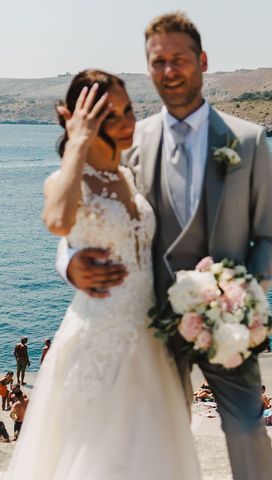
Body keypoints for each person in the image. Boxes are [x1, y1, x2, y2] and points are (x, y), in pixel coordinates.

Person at [50, 13, 272, 480]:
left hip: (226, 322)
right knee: (162, 433)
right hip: (148, 324)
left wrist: (241, 298)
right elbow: (89, 210)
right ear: (149, 69)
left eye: (178, 59)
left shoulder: (248, 140)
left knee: (245, 427)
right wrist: (70, 262)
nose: (169, 70)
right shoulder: (132, 140)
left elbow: (269, 237)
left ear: (202, 61)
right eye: (158, 62)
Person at [8, 68, 201, 479]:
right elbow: (59, 222)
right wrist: (68, 263)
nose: (128, 121)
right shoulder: (66, 181)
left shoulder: (133, 176)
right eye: (110, 116)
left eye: (129, 110)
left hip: (154, 344)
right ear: (83, 121)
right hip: (99, 340)